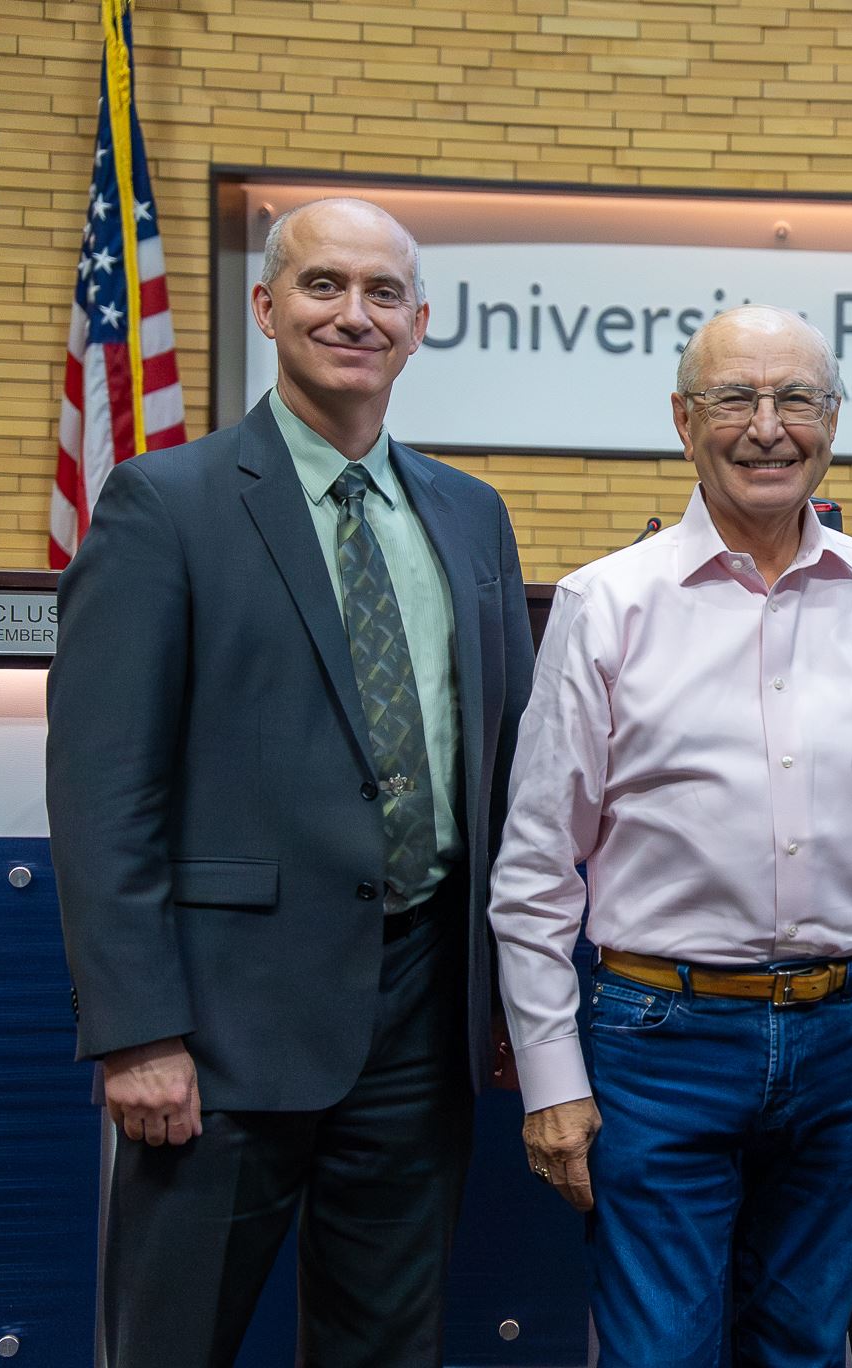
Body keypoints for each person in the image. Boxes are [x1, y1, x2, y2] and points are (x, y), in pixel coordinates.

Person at [47, 197, 536, 1367]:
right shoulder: (166, 505)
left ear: (420, 324)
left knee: (387, 1348)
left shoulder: (472, 518)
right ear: (266, 308)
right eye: (323, 286)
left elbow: (506, 771)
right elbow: (105, 791)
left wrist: (507, 998)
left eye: (381, 294)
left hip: (422, 1023)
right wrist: (136, 1032)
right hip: (218, 1035)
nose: (352, 314)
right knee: (173, 1345)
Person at [491, 304, 852, 1367]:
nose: (767, 427)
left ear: (831, 420)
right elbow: (532, 871)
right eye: (734, 399)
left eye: (795, 398)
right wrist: (553, 1078)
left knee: (801, 1344)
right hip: (659, 1040)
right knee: (660, 1353)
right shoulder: (606, 603)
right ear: (681, 419)